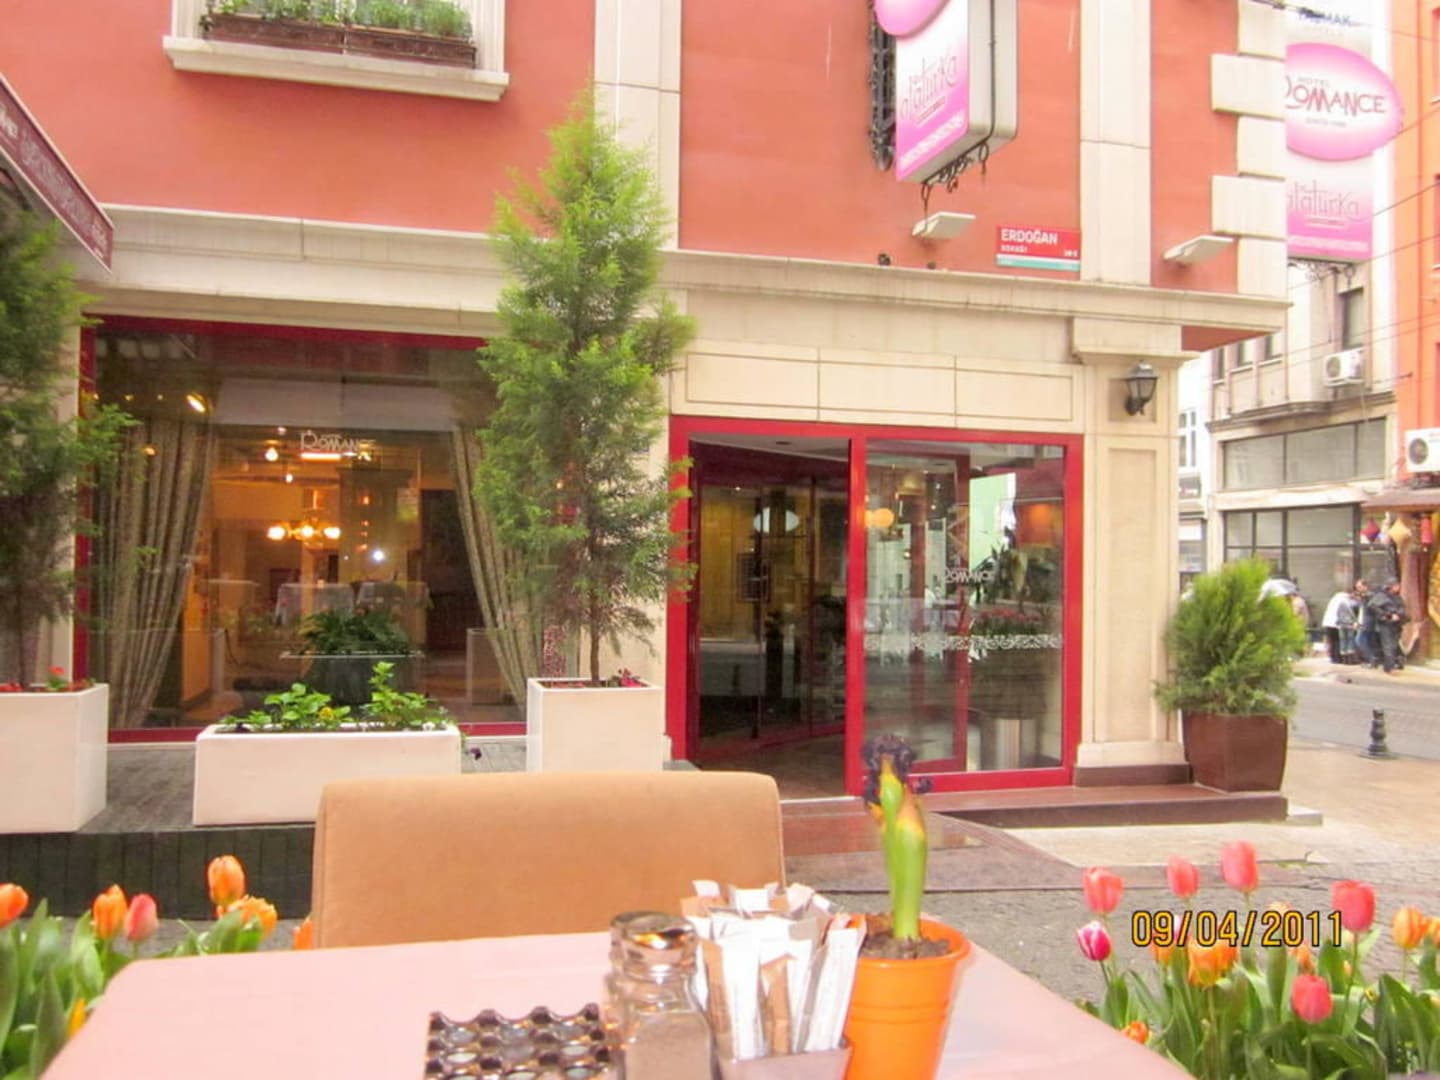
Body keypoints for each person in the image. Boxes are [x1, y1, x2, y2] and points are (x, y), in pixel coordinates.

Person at [1365, 578, 1409, 675]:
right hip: (1386, 624)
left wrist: (1399, 615)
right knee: (1388, 646)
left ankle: (1389, 665)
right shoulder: (1382, 596)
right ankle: (1389, 667)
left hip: (1397, 623)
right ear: (1391, 586)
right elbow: (1372, 606)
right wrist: (1387, 614)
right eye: (1396, 585)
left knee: (1393, 645)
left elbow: (1402, 607)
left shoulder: (1397, 597)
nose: (1398, 587)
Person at [1321, 586, 1360, 664]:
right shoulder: (1345, 599)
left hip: (1328, 622)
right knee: (1338, 641)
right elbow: (1354, 606)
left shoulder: (1336, 597)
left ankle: (1334, 658)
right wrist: (1358, 600)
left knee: (1333, 641)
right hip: (1337, 623)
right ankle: (1339, 659)